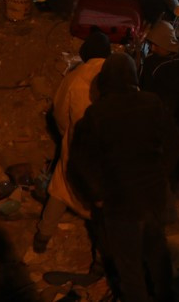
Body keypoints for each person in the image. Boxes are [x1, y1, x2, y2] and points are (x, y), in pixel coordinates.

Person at [69, 53, 179, 302]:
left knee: (130, 269)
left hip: (119, 204)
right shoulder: (152, 102)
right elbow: (176, 144)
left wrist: (97, 194)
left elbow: (80, 162)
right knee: (157, 256)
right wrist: (160, 173)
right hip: (153, 199)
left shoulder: (95, 115)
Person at [34, 31, 110, 255]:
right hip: (108, 148)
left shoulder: (75, 77)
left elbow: (59, 112)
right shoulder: (117, 74)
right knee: (103, 206)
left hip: (78, 143)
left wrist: (67, 134)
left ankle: (43, 235)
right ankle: (100, 257)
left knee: (61, 186)